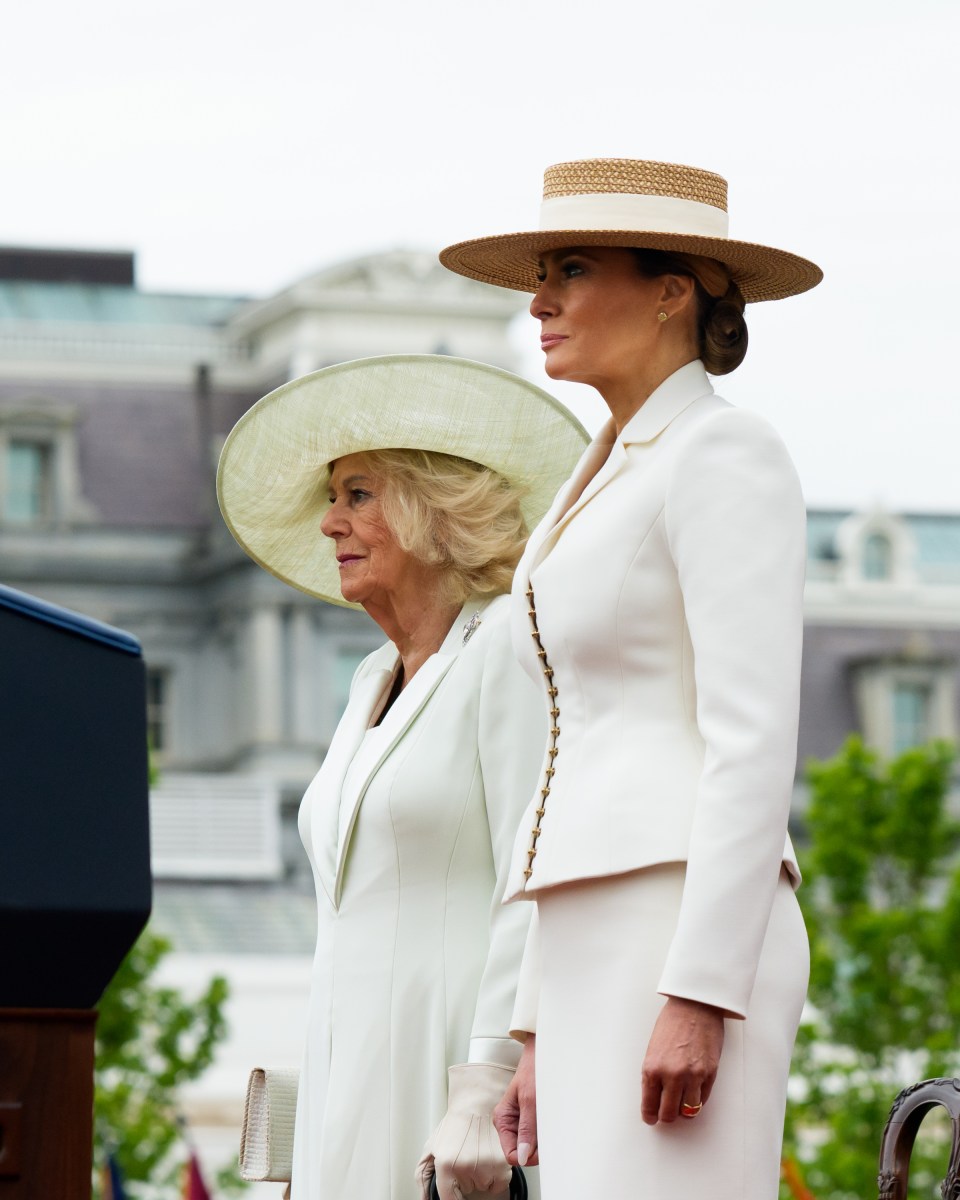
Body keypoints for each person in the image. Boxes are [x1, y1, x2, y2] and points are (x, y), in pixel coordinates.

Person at [439, 159, 823, 1198]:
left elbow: (751, 741)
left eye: (571, 268)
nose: (539, 299)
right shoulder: (603, 473)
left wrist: (703, 990)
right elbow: (569, 751)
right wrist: (528, 1028)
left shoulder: (722, 451)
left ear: (673, 289)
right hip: (581, 935)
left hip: (681, 925)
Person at [217, 354, 587, 1200]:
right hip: (348, 1066)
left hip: (452, 1069)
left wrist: (487, 1080)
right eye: (332, 499)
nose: (328, 524)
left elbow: (535, 877)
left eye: (356, 495)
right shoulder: (368, 678)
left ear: (432, 510)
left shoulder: (508, 653)